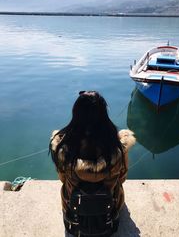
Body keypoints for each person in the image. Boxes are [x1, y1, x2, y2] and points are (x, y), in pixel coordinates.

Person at [49, 91, 136, 237]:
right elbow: (122, 178)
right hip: (110, 209)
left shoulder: (63, 148)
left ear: (76, 114)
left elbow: (62, 179)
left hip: (73, 211)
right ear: (104, 115)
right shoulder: (117, 148)